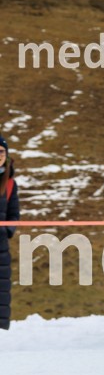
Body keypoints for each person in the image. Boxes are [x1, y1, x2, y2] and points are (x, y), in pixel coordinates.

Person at [0, 134, 20, 331]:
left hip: (1, 245)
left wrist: (7, 230)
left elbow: (14, 214)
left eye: (2, 152)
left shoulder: (10, 183)